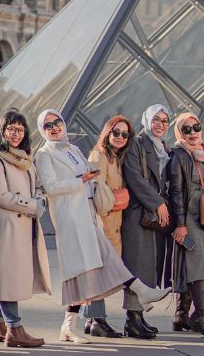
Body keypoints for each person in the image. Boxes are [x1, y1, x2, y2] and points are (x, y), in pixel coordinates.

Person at [35, 109, 166, 343]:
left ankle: (74, 323)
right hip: (70, 218)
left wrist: (88, 180)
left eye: (57, 122)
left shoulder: (73, 149)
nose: (54, 127)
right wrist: (81, 180)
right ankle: (81, 322)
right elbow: (50, 187)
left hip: (87, 214)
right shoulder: (44, 154)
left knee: (104, 264)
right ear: (42, 130)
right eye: (48, 125)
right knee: (80, 273)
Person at [0, 110, 49, 348]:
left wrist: (40, 200)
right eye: (11, 129)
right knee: (8, 278)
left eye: (20, 130)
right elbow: (0, 196)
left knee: (7, 276)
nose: (16, 134)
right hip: (8, 226)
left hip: (24, 225)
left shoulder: (25, 158)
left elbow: (40, 186)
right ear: (2, 131)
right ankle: (15, 327)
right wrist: (33, 205)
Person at [120, 104, 172, 338]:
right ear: (147, 120)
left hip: (153, 215)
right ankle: (132, 319)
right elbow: (135, 177)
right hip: (139, 213)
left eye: (165, 120)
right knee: (137, 264)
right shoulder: (137, 143)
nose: (160, 124)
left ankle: (139, 316)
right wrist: (158, 203)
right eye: (156, 119)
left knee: (149, 264)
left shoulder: (163, 147)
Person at [166, 112, 204, 338]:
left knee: (194, 261)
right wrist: (180, 224)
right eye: (186, 129)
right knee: (197, 260)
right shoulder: (178, 155)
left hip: (203, 215)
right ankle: (201, 316)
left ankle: (181, 314)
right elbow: (176, 191)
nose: (193, 133)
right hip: (188, 217)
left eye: (195, 127)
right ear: (179, 133)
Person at [85, 115, 137, 339]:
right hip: (104, 222)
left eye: (125, 134)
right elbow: (96, 192)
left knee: (103, 272)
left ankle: (92, 320)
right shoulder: (99, 156)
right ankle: (97, 320)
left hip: (113, 223)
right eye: (116, 133)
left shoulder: (115, 156)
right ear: (107, 132)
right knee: (101, 272)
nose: (120, 137)